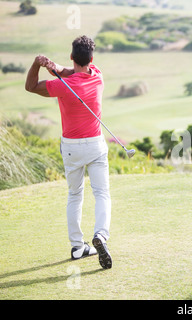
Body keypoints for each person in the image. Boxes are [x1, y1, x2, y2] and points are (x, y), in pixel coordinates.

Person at [25, 35, 112, 269]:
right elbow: (72, 71)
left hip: (72, 147)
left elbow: (30, 86)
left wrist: (37, 64)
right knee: (101, 193)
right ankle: (101, 236)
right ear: (91, 58)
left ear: (72, 56)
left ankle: (77, 246)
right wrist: (55, 67)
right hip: (95, 144)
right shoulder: (97, 75)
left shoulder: (61, 86)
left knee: (75, 195)